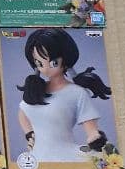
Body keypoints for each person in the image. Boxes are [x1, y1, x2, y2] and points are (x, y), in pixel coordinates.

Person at [16, 29, 111, 162]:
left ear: (66, 59)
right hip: (37, 157)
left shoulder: (76, 93)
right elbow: (23, 113)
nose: (46, 68)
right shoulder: (35, 91)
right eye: (39, 63)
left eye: (53, 62)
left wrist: (95, 140)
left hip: (65, 157)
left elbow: (91, 129)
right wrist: (29, 133)